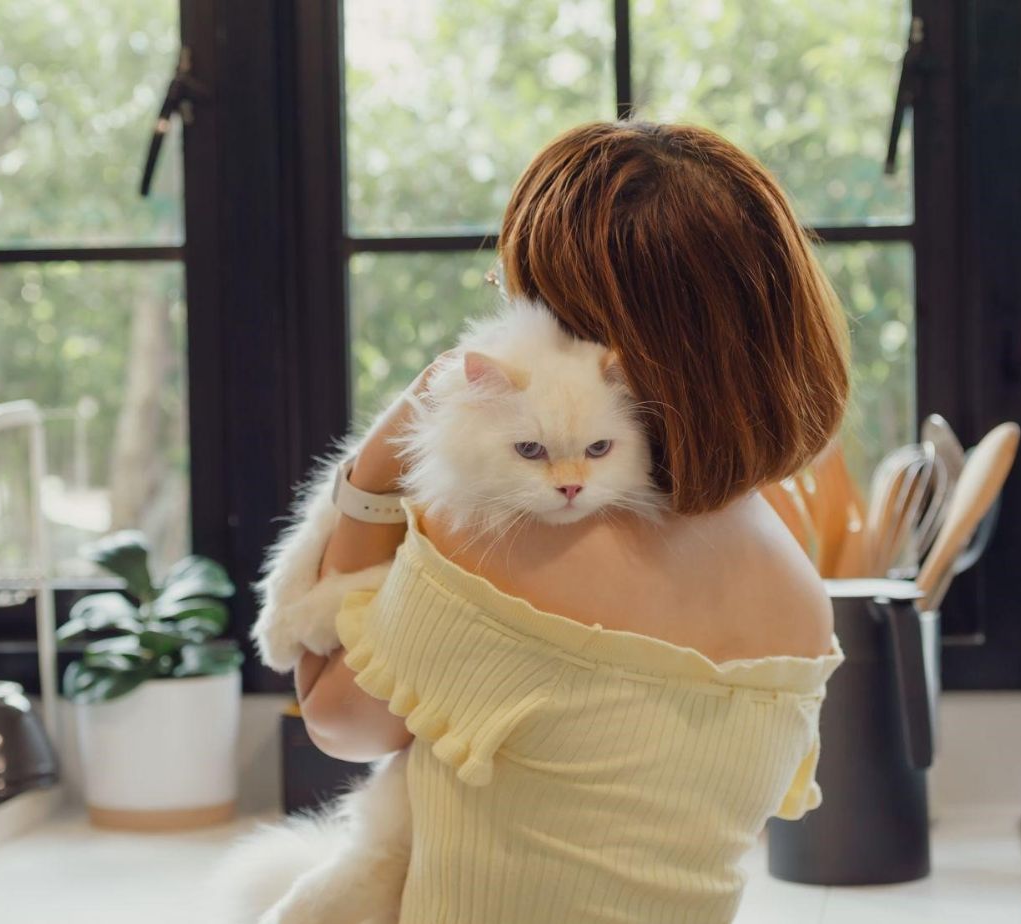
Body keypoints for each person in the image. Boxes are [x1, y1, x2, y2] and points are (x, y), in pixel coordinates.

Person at [295, 120, 848, 922]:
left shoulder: (508, 549)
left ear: (584, 327)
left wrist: (373, 475)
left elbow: (336, 722)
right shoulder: (795, 585)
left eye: (522, 293)